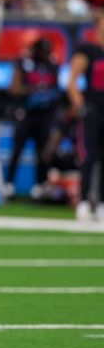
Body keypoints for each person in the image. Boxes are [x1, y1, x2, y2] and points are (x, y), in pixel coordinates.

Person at [4, 34, 60, 198]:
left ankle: (40, 185)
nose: (45, 54)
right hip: (26, 112)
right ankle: (9, 184)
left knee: (42, 151)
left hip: (44, 115)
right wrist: (32, 91)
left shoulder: (52, 66)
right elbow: (14, 88)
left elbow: (56, 89)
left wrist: (47, 95)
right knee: (17, 149)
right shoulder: (24, 64)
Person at [68, 14, 104, 221]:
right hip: (92, 111)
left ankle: (101, 203)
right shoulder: (88, 50)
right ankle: (83, 201)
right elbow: (72, 81)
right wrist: (81, 106)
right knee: (89, 157)